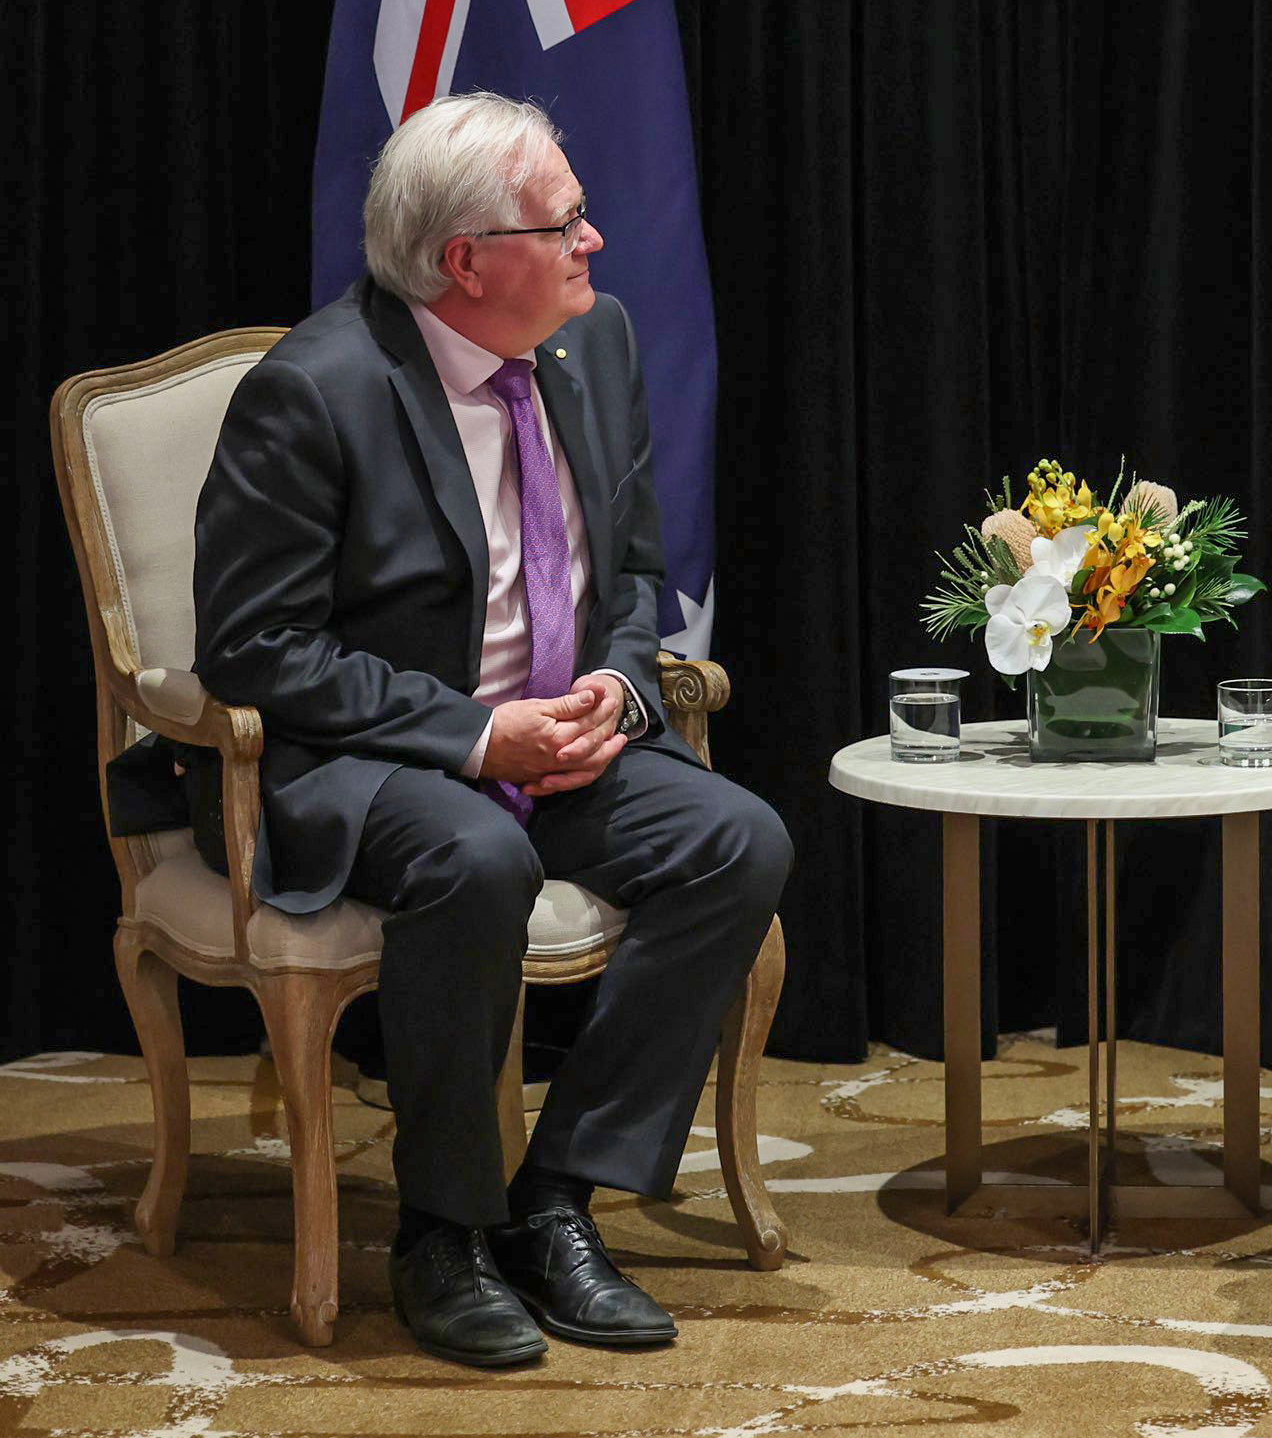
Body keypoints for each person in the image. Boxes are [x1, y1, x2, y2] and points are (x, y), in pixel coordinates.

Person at [114, 92, 792, 1367]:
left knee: (734, 841)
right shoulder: (313, 390)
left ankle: (553, 1202)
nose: (595, 240)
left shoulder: (601, 348)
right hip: (358, 759)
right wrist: (481, 740)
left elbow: (638, 573)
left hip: (559, 734)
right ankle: (441, 1229)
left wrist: (622, 690)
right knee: (477, 859)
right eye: (565, 220)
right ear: (467, 261)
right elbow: (256, 651)